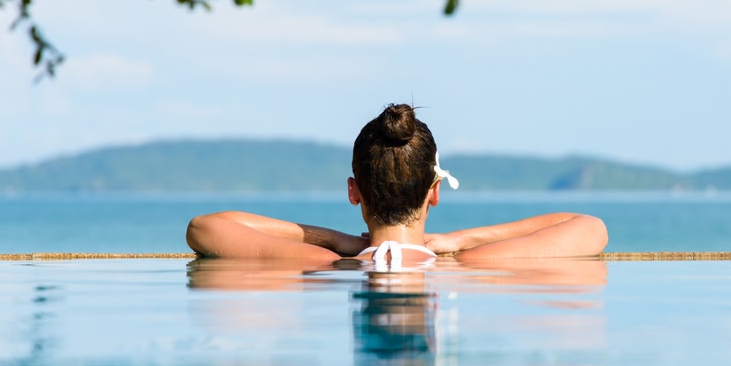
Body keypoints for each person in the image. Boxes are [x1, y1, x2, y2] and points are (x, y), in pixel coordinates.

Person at [186, 104, 608, 265]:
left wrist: (334, 240)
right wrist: (464, 240)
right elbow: (588, 226)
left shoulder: (325, 264)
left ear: (354, 192)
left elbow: (206, 226)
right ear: (434, 192)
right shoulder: (475, 265)